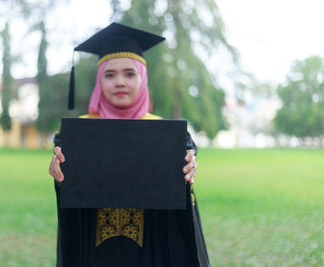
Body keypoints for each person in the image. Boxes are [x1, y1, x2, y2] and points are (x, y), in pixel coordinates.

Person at [49, 22, 209, 267]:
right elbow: (71, 196)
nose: (120, 82)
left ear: (143, 79)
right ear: (99, 82)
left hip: (152, 245)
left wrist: (188, 169)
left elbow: (182, 201)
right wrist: (59, 173)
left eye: (129, 73)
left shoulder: (167, 135)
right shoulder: (77, 134)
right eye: (109, 74)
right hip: (95, 247)